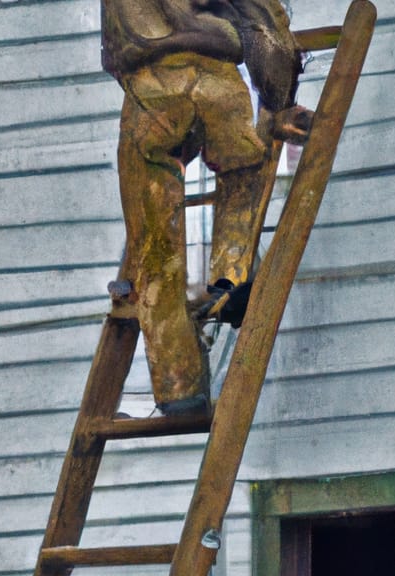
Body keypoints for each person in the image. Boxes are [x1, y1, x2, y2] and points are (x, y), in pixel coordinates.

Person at [102, 0, 308, 414]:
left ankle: (179, 387)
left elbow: (112, 49)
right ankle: (229, 280)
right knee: (242, 168)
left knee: (153, 240)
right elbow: (261, 16)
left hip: (145, 91)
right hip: (213, 78)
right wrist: (278, 93)